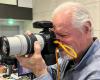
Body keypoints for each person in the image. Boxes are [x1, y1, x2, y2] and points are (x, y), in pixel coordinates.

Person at [16, 2, 100, 80]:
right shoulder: (72, 55)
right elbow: (54, 72)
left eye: (63, 35)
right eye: (54, 35)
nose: (56, 42)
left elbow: (43, 73)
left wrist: (40, 71)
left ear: (86, 28)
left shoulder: (96, 71)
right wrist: (35, 62)